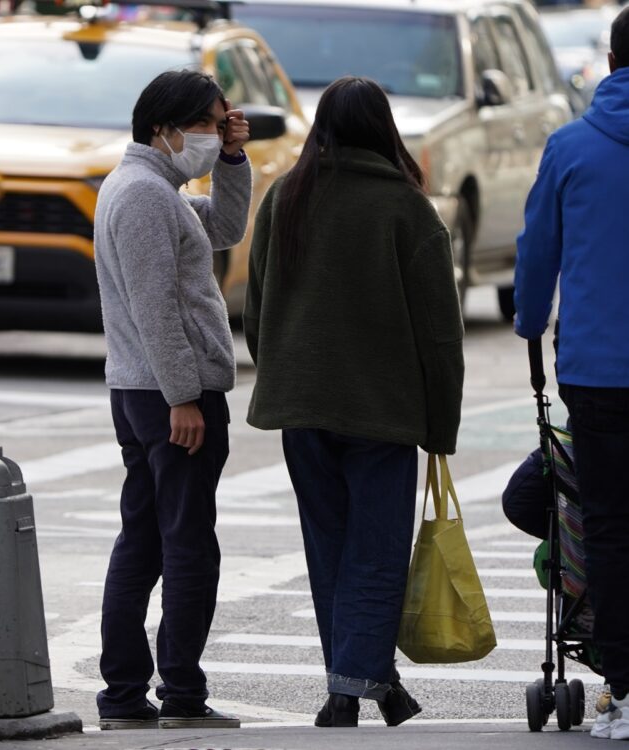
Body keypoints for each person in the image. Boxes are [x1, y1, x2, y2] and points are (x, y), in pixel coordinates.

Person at [243, 76, 464, 728]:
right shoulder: (405, 209)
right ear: (383, 128)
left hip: (302, 409)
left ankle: (368, 685)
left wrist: (284, 371)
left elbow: (257, 311)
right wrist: (441, 426)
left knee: (330, 547)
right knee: (376, 551)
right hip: (381, 411)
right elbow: (440, 333)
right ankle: (349, 689)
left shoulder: (287, 196)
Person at [92, 70, 251, 730]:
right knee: (186, 547)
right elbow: (156, 309)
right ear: (165, 127)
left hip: (146, 390)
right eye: (210, 126)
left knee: (149, 541)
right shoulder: (144, 197)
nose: (215, 136)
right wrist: (184, 397)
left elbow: (227, 226)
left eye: (220, 125)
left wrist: (236, 159)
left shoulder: (153, 189)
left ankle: (128, 693)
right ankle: (176, 692)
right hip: (166, 395)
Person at [513, 6, 629, 740]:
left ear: (611, 59)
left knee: (612, 527)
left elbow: (536, 253)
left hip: (600, 371)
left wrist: (528, 323)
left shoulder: (573, 146)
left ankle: (625, 684)